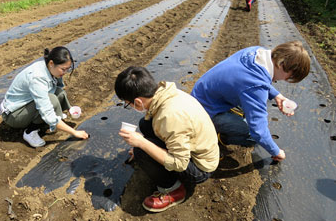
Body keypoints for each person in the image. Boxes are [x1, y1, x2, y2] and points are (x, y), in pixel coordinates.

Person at [115, 67, 219, 212]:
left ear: (138, 102)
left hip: (200, 167)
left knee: (141, 151)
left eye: (128, 103)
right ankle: (153, 154)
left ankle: (173, 190)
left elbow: (180, 163)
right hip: (196, 146)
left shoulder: (171, 115)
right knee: (145, 124)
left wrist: (142, 143)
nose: (130, 106)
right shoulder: (168, 94)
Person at [191, 41, 310, 162]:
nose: (284, 80)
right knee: (253, 136)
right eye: (288, 77)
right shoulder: (256, 86)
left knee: (250, 107)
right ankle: (220, 135)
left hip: (202, 95)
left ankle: (225, 122)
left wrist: (277, 95)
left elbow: (255, 80)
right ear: (281, 64)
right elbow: (259, 131)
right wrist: (276, 151)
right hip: (204, 113)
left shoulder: (256, 52)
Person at [0, 46, 89, 147]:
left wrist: (69, 108)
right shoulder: (37, 77)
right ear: (51, 63)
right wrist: (74, 132)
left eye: (67, 69)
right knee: (52, 100)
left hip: (27, 104)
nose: (65, 73)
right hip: (14, 115)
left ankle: (53, 119)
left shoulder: (50, 68)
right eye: (63, 69)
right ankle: (30, 132)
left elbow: (59, 88)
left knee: (59, 92)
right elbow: (48, 113)